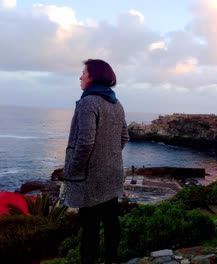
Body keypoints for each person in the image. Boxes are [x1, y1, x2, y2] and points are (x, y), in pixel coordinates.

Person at [62, 59, 129, 264]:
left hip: (90, 178)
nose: (80, 77)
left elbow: (85, 142)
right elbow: (124, 137)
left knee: (89, 229)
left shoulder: (88, 102)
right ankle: (112, 259)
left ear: (93, 76)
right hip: (112, 174)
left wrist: (72, 170)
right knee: (111, 222)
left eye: (83, 72)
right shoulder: (116, 103)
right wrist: (108, 157)